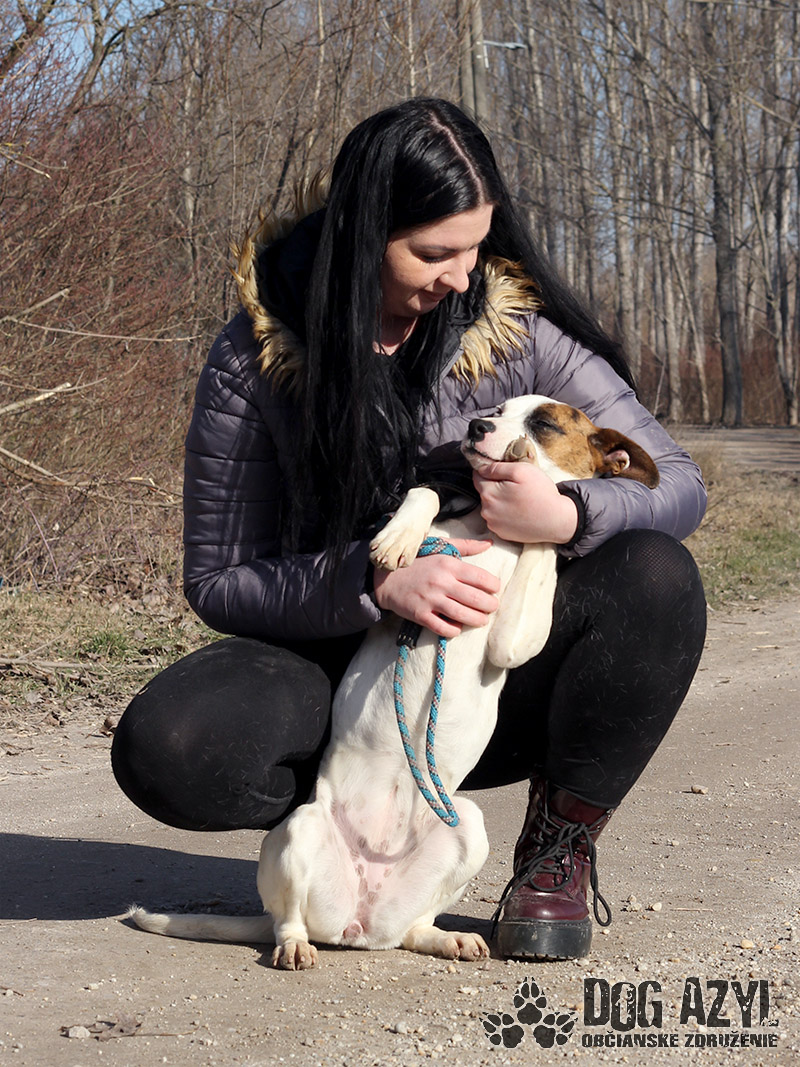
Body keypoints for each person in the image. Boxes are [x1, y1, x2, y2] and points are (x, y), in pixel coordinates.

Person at [111, 98, 707, 961]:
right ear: (364, 237)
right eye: (434, 253)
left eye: (476, 247)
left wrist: (572, 513)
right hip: (337, 673)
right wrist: (373, 580)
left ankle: (556, 847)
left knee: (657, 574)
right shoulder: (254, 357)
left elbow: (678, 483)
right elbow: (218, 579)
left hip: (489, 681)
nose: (462, 276)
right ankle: (340, 828)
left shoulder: (520, 338)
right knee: (166, 744)